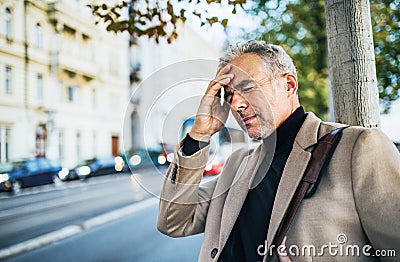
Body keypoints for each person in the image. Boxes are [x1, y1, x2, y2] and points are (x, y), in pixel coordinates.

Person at [157, 40, 400, 262]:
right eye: (229, 95)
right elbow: (173, 221)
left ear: (289, 85)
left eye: (247, 87)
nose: (237, 104)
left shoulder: (358, 147)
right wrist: (198, 136)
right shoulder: (238, 163)